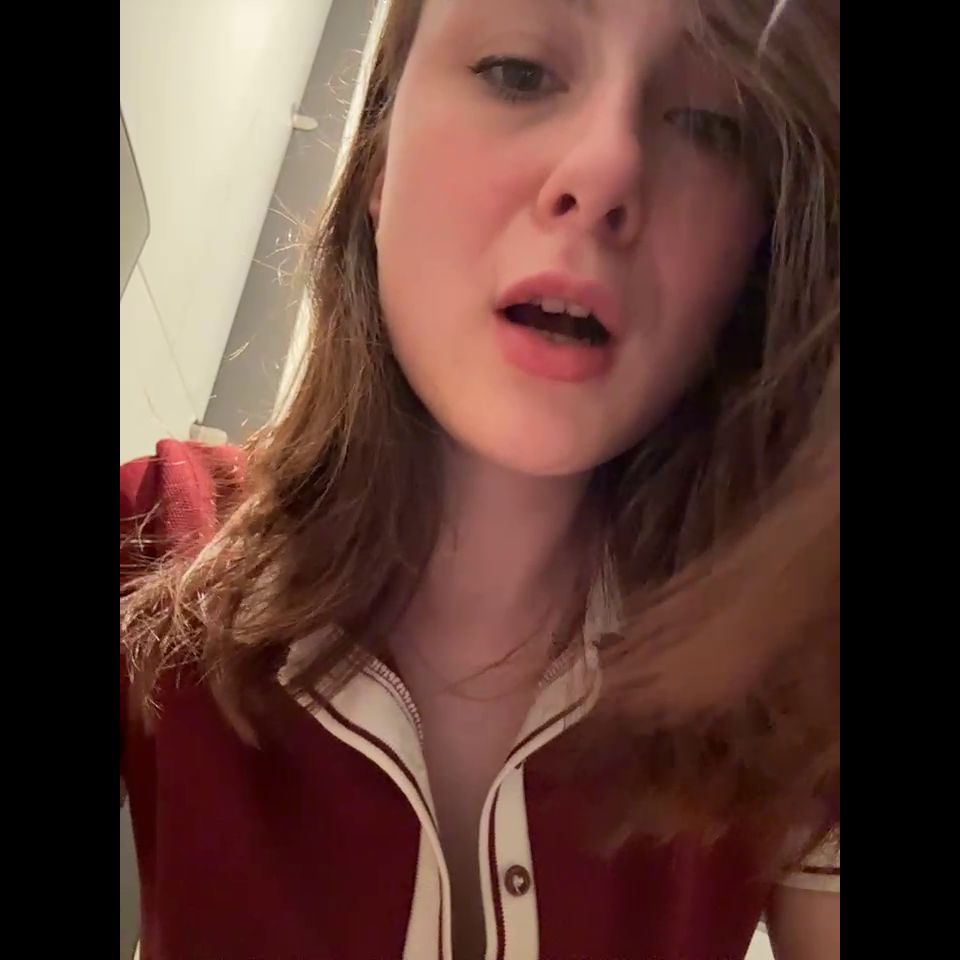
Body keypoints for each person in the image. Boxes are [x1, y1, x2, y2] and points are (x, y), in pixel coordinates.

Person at [120, 0, 840, 957]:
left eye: (712, 122)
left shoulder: (796, 678)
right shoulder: (147, 544)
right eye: (517, 71)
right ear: (376, 162)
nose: (605, 171)